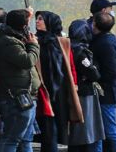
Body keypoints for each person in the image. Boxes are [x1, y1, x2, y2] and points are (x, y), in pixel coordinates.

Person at [0, 9, 40, 152]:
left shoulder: (13, 37)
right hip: (15, 98)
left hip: (26, 97)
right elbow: (27, 60)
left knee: (25, 139)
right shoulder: (8, 42)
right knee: (12, 139)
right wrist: (34, 45)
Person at [36, 11, 80, 152]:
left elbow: (70, 66)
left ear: (50, 22)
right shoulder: (34, 41)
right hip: (41, 88)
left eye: (41, 19)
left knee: (55, 124)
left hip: (60, 89)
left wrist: (74, 85)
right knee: (47, 126)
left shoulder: (63, 42)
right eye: (37, 19)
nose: (37, 22)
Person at [66, 20, 106, 152]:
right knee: (85, 130)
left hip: (73, 91)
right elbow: (93, 73)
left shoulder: (67, 47)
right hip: (84, 93)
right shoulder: (80, 50)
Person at [90, 13, 116, 152]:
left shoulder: (103, 42)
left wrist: (95, 76)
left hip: (106, 92)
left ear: (95, 24)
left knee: (111, 130)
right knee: (99, 130)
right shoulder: (111, 39)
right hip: (109, 90)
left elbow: (111, 71)